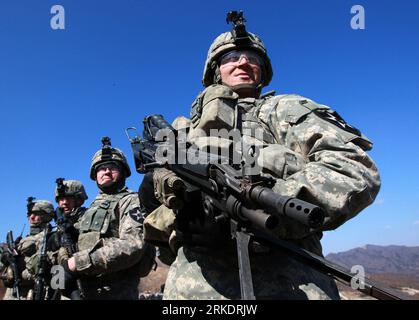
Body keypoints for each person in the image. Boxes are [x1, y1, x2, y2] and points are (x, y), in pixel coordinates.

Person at [142, 11, 381, 300]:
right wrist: (178, 217)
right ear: (215, 70)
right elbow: (155, 223)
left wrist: (262, 211)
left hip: (289, 284)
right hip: (192, 291)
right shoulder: (183, 130)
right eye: (231, 57)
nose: (243, 61)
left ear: (262, 70)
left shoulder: (285, 109)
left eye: (251, 57)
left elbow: (353, 169)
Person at [60, 137, 155, 300]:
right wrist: (63, 259)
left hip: (116, 292)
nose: (106, 171)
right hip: (83, 291)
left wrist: (77, 263)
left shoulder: (131, 200)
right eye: (101, 168)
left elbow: (133, 245)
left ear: (123, 172)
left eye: (112, 167)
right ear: (95, 175)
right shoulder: (90, 209)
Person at [1, 198, 55, 300]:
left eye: (37, 213)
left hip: (35, 291)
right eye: (30, 214)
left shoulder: (52, 237)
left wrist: (20, 274)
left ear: (47, 216)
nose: (32, 217)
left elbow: (51, 268)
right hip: (14, 293)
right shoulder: (21, 240)